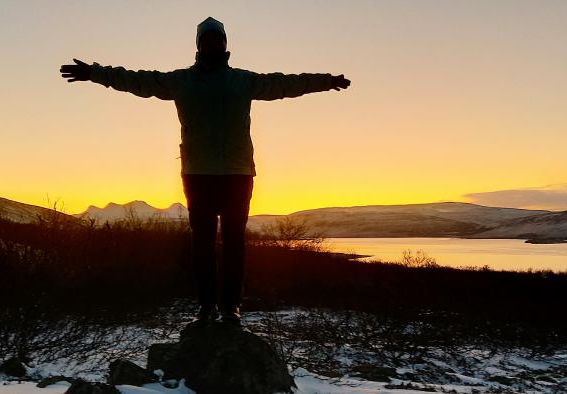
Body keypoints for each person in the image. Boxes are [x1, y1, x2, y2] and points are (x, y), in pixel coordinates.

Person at [60, 16, 350, 327]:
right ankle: (206, 306)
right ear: (199, 45)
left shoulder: (243, 80)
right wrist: (95, 73)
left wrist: (325, 80)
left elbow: (286, 84)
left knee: (235, 241)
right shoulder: (181, 81)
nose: (213, 43)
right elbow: (137, 80)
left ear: (226, 44)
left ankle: (231, 307)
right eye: (208, 39)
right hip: (198, 174)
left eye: (218, 39)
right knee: (202, 243)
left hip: (238, 174)